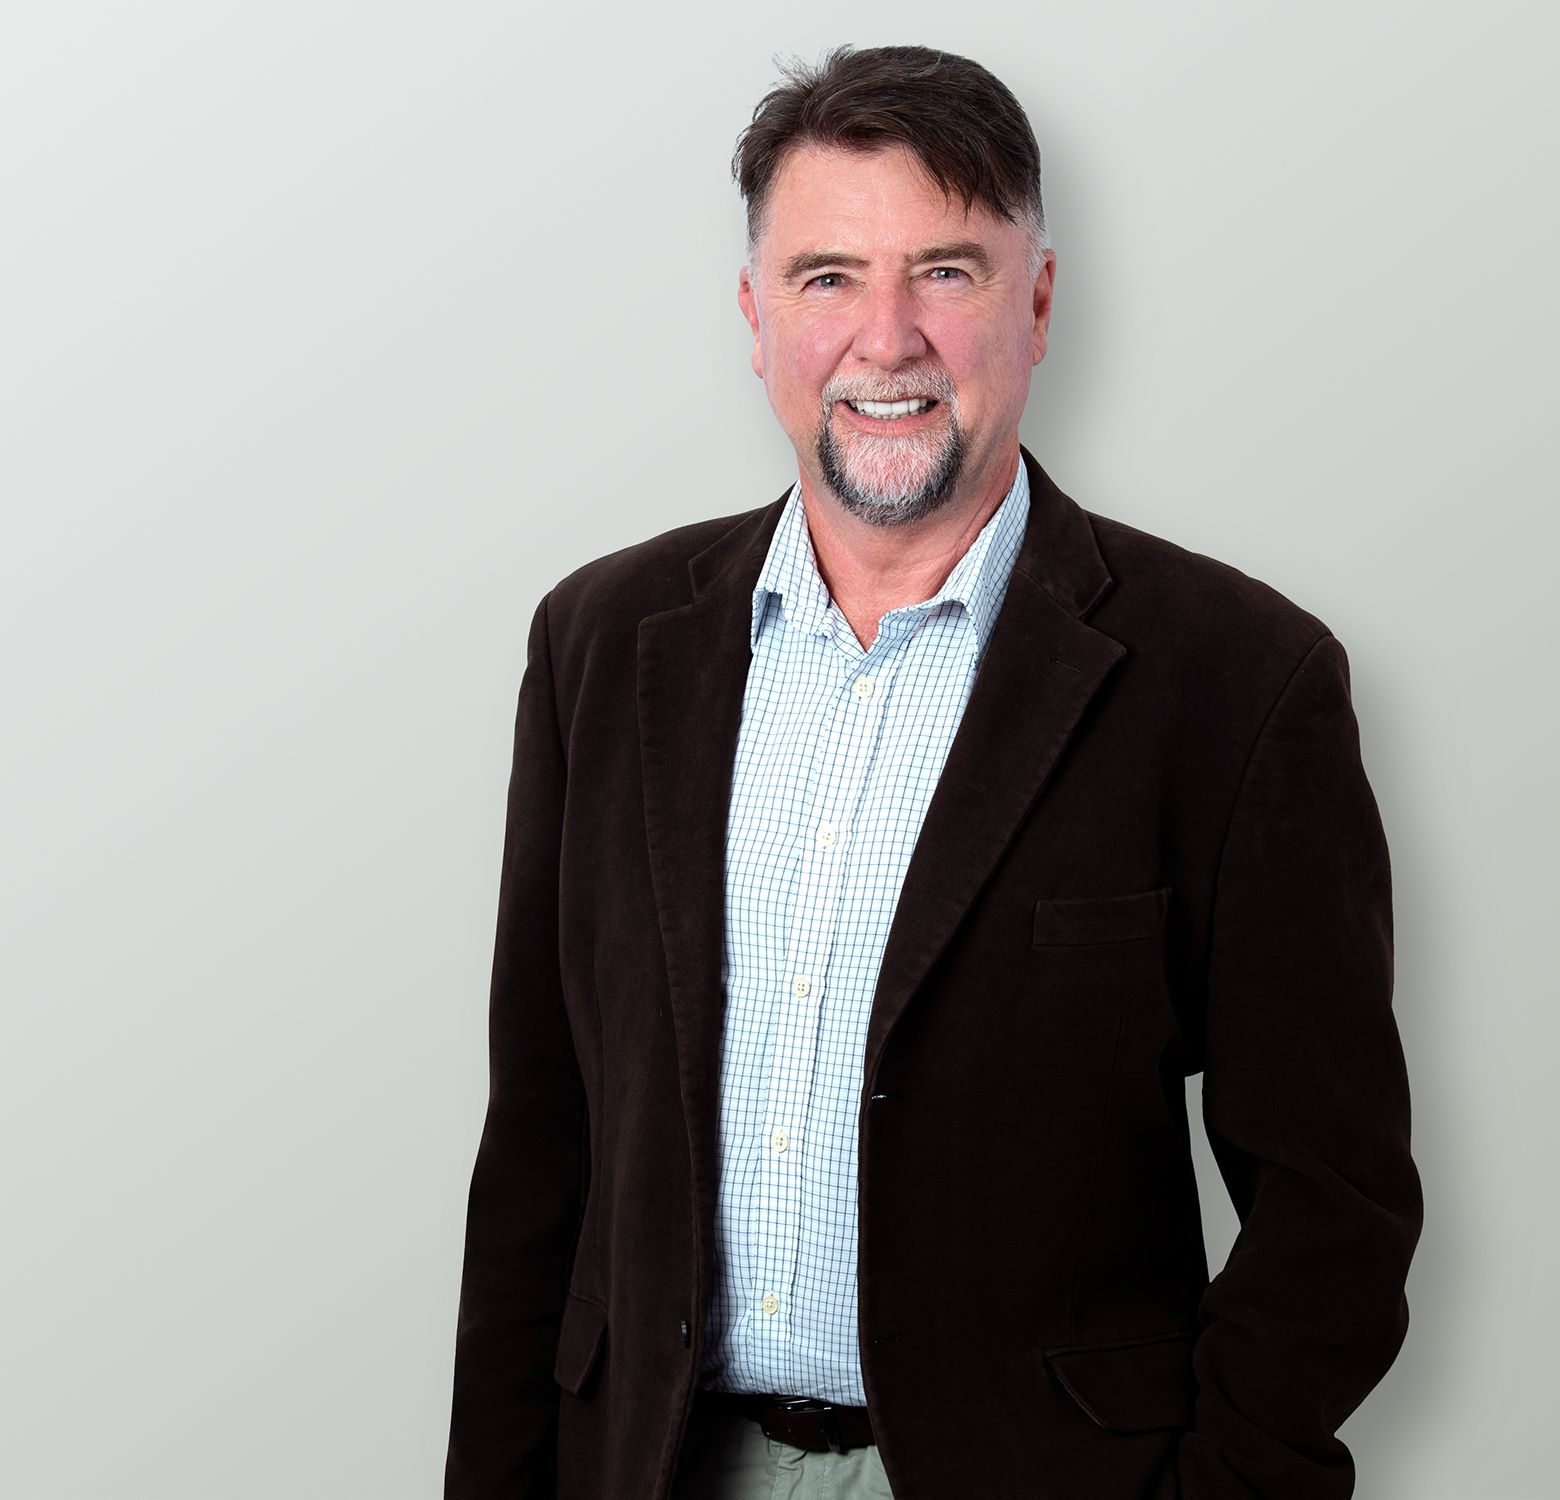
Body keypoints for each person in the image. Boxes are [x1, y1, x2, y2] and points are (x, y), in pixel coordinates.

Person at [443, 43, 1423, 1500]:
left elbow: (1336, 1202)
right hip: (647, 1463)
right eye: (828, 276)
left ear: (1039, 301)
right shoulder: (601, 644)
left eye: (946, 272)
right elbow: (542, 1144)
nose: (885, 338)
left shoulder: (1235, 680)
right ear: (756, 313)